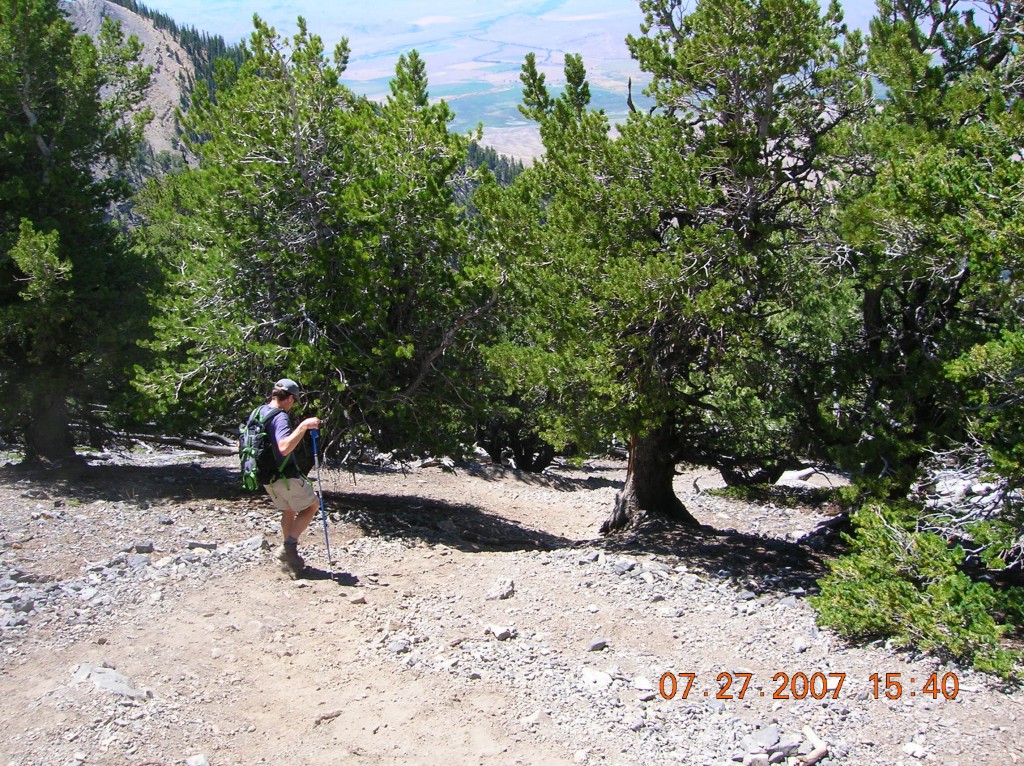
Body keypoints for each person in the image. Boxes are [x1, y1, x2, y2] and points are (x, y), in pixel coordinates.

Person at [260, 378, 321, 578]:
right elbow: (284, 447)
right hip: (284, 475)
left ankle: (291, 560)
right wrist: (303, 426)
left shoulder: (258, 412)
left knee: (288, 510)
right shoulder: (280, 417)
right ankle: (288, 548)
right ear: (290, 399)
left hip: (265, 476)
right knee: (312, 506)